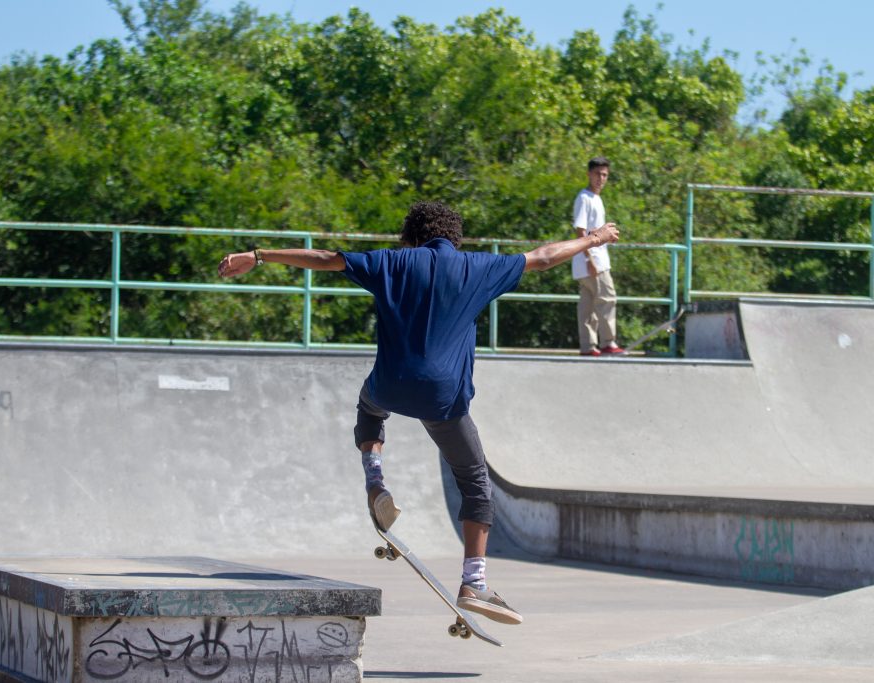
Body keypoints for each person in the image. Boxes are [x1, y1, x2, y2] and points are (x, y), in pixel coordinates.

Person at [218, 201, 619, 624]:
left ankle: (375, 481)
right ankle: (474, 581)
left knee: (369, 407)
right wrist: (594, 238)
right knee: (475, 481)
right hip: (443, 399)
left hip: (390, 386)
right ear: (454, 238)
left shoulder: (390, 262)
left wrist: (258, 256)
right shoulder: (478, 268)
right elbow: (542, 257)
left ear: (411, 236)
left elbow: (325, 259)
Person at [571, 156, 625, 356]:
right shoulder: (585, 198)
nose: (600, 178)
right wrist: (589, 259)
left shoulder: (597, 199)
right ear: (589, 174)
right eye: (597, 174)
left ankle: (588, 346)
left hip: (589, 261)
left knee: (588, 305)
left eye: (604, 175)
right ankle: (608, 342)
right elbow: (580, 230)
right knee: (607, 298)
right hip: (593, 261)